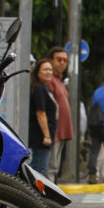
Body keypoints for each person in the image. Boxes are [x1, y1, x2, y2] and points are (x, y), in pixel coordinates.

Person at [45, 47, 73, 183]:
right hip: (53, 132)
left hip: (61, 132)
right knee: (50, 167)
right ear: (51, 60)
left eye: (65, 60)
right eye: (59, 59)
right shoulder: (49, 81)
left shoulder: (59, 81)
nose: (62, 63)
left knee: (55, 167)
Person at [28, 59, 59, 176]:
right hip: (40, 137)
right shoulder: (39, 88)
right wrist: (46, 136)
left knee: (39, 167)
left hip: (44, 136)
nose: (48, 72)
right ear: (37, 72)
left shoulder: (44, 88)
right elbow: (40, 113)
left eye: (50, 69)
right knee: (38, 168)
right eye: (45, 69)